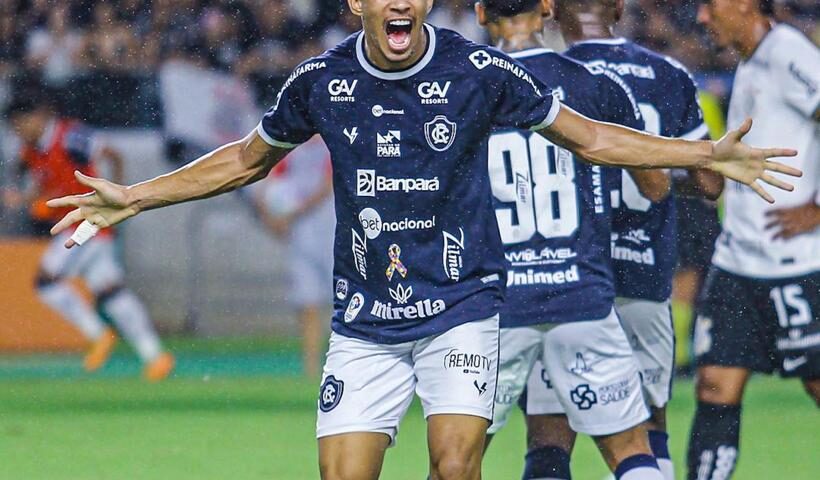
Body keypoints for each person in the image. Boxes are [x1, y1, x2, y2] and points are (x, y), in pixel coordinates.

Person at [46, 1, 799, 478]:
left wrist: (703, 152)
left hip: (461, 311)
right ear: (359, 6)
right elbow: (248, 158)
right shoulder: (322, 82)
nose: (399, 2)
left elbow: (595, 139)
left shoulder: (480, 72)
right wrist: (136, 197)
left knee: (454, 462)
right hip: (366, 325)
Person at [517, 1, 725, 478]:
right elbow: (711, 185)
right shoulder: (666, 72)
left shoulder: (549, 74)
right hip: (644, 269)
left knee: (549, 432)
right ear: (618, 7)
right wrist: (658, 166)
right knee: (648, 430)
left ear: (553, 11)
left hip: (565, 273)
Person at [475, 1, 674, 479]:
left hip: (495, 307)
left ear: (481, 13)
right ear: (546, 6)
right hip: (580, 295)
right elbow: (655, 186)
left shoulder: (464, 88)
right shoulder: (593, 83)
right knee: (629, 449)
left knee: (456, 459)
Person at [689, 1, 820, 478]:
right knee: (713, 388)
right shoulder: (752, 59)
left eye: (710, 5)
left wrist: (818, 207)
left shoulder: (789, 53)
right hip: (739, 262)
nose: (702, 18)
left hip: (796, 263)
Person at [3, 95, 174, 382]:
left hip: (87, 225)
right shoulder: (33, 151)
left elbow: (111, 153)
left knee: (46, 281)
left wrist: (119, 196)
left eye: (22, 124)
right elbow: (46, 185)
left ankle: (97, 334)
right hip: (90, 225)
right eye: (15, 128)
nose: (20, 132)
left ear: (40, 115)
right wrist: (25, 199)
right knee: (111, 292)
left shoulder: (69, 136)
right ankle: (156, 357)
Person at [250, 135, 334, 377]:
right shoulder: (292, 147)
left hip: (332, 231)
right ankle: (310, 370)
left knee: (343, 305)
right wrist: (270, 216)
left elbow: (328, 185)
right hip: (301, 236)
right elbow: (267, 183)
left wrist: (293, 213)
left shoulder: (334, 140)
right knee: (307, 303)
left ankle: (343, 367)